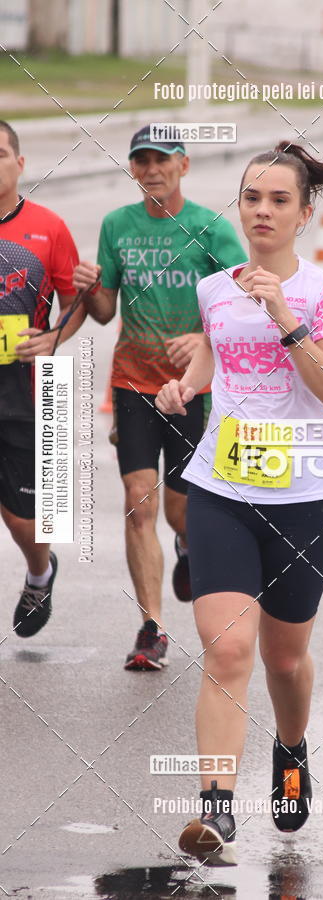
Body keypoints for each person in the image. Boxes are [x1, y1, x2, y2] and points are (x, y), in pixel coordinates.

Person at [155, 140, 323, 865]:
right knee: (228, 647)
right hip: (222, 489)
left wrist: (284, 316)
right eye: (252, 198)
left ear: (305, 213)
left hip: (306, 498)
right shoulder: (216, 290)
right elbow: (210, 363)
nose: (263, 210)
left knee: (284, 658)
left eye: (279, 200)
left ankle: (293, 746)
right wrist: (183, 387)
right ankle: (216, 808)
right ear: (239, 208)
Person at [73, 126, 246, 670]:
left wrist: (205, 338)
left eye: (162, 160)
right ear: (132, 168)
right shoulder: (116, 225)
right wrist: (89, 286)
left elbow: (245, 300)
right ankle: (152, 628)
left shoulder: (208, 227)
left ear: (183, 167)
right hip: (131, 381)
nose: (152, 170)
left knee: (180, 509)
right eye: (142, 161)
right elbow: (104, 311)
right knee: (138, 502)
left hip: (190, 388)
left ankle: (189, 545)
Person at [0, 120, 85, 637]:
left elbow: (77, 301)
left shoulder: (48, 228)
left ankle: (40, 571)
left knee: (22, 520)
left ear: (19, 163)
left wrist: (53, 338)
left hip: (23, 393)